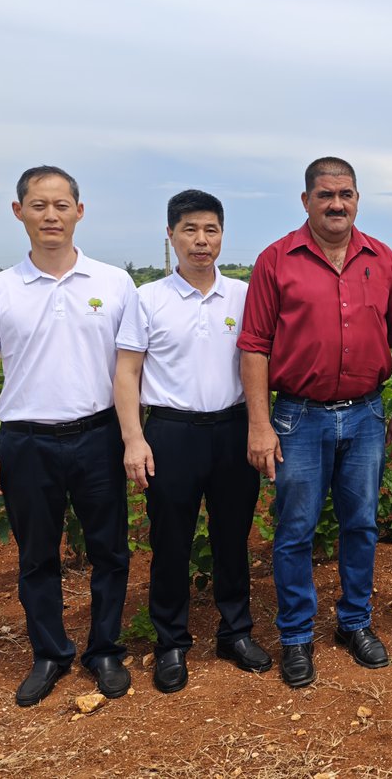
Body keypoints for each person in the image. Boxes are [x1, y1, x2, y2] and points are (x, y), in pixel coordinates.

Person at [0, 166, 137, 706]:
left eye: (61, 205)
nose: (51, 216)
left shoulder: (113, 283)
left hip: (97, 435)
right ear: (19, 213)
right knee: (36, 556)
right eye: (38, 205)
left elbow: (127, 370)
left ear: (79, 212)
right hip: (26, 441)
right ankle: (49, 654)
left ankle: (104, 649)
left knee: (110, 550)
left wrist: (133, 436)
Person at [238, 156, 392, 688]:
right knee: (295, 530)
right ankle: (295, 636)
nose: (336, 204)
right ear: (306, 200)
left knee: (361, 525)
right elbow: (253, 347)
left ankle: (354, 622)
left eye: (346, 194)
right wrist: (260, 424)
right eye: (325, 194)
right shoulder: (276, 260)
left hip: (364, 414)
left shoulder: (381, 259)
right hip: (297, 416)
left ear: (357, 199)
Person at [114, 190, 271, 694]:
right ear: (171, 235)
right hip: (171, 432)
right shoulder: (148, 298)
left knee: (233, 535)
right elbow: (127, 373)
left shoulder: (244, 296)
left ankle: (236, 632)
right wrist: (134, 438)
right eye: (190, 230)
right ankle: (171, 643)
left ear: (222, 236)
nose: (201, 241)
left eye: (210, 230)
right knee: (170, 540)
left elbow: (260, 364)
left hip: (232, 430)